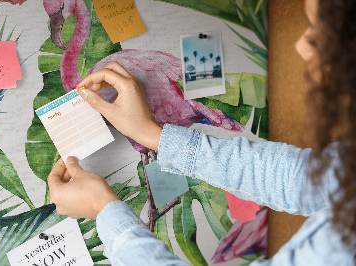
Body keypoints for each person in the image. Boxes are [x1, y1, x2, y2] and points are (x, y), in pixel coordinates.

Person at [47, 0, 356, 264]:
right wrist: (153, 134)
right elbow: (301, 178)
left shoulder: (340, 246)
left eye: (322, 31)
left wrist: (105, 211)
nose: (301, 46)